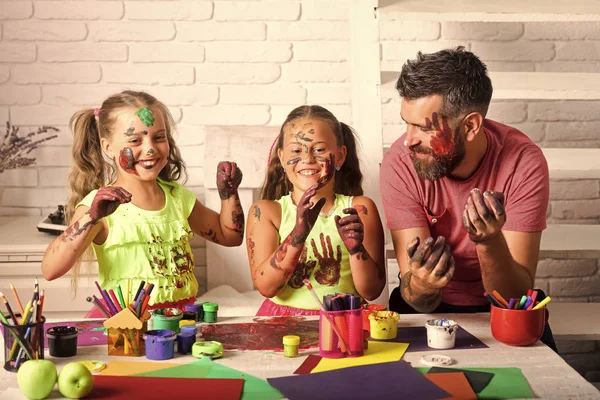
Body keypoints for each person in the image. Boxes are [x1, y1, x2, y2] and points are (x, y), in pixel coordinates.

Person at [380, 47, 556, 350]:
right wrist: (422, 281)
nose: (408, 140)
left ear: (471, 125)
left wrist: (489, 241)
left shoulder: (522, 162)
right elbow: (415, 298)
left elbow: (515, 296)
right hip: (431, 307)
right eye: (406, 123)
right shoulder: (401, 161)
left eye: (423, 127)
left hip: (500, 305)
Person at [41, 90, 244, 316]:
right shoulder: (100, 206)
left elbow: (230, 236)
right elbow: (50, 270)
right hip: (127, 325)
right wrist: (91, 217)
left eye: (158, 137)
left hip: (178, 320)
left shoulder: (178, 197)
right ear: (108, 147)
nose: (149, 148)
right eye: (135, 140)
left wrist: (228, 194)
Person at [246, 105, 386, 316]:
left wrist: (357, 250)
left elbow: (372, 291)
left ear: (340, 156)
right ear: (282, 157)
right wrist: (297, 236)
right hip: (283, 326)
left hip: (345, 322)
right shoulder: (266, 212)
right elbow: (266, 287)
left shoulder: (359, 210)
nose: (308, 158)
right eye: (296, 150)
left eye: (319, 150)